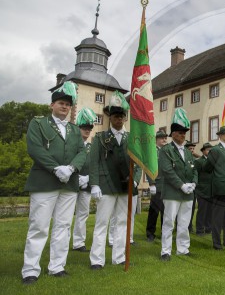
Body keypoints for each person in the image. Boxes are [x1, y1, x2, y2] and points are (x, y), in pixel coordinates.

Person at [21, 82, 86, 284]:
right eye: (61, 103)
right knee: (39, 226)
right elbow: (35, 149)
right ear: (52, 105)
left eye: (68, 104)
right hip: (44, 182)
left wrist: (72, 168)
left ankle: (57, 266)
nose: (65, 107)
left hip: (68, 185)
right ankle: (30, 270)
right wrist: (56, 168)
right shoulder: (38, 123)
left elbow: (82, 152)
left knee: (63, 226)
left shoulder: (75, 130)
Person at [89, 91, 140, 269]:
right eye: (115, 115)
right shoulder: (100, 138)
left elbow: (139, 163)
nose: (119, 119)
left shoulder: (132, 139)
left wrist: (136, 179)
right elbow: (93, 162)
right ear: (110, 117)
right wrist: (94, 184)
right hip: (106, 186)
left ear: (125, 118)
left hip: (126, 186)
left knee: (122, 223)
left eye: (121, 116)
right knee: (102, 223)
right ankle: (97, 260)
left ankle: (118, 257)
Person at [158, 109, 197, 261]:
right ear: (173, 133)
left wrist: (194, 183)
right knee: (169, 222)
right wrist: (181, 185)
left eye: (184, 133)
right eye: (180, 132)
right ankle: (165, 251)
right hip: (173, 192)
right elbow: (167, 171)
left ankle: (183, 249)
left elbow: (195, 170)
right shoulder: (166, 150)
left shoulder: (188, 152)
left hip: (188, 193)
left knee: (184, 222)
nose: (183, 135)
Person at [72, 108, 98, 252]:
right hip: (70, 184)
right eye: (84, 128)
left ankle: (78, 243)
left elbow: (95, 165)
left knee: (83, 214)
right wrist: (76, 177)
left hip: (86, 185)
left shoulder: (91, 147)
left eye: (89, 128)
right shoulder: (71, 145)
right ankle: (61, 243)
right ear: (78, 128)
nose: (87, 131)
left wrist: (88, 178)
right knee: (66, 215)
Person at [146, 130, 168, 242]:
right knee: (154, 210)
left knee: (166, 210)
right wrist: (151, 183)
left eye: (165, 138)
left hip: (167, 185)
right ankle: (150, 233)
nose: (164, 140)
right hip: (157, 184)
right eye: (162, 138)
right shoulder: (152, 151)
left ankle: (165, 232)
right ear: (156, 140)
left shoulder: (168, 151)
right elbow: (149, 167)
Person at [194, 143, 213, 235]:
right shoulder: (198, 161)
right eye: (208, 150)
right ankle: (200, 229)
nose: (209, 152)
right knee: (202, 210)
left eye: (211, 150)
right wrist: (197, 187)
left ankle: (208, 228)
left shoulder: (213, 161)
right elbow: (195, 174)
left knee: (210, 210)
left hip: (212, 190)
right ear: (203, 151)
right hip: (202, 190)